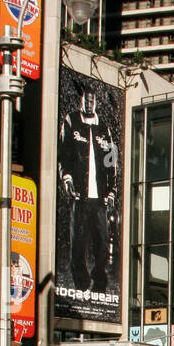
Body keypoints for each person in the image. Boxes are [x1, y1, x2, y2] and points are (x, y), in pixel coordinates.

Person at [58, 87, 118, 294]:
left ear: (96, 103)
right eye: (86, 100)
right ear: (81, 101)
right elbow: (63, 152)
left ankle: (99, 278)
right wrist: (66, 178)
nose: (89, 104)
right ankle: (80, 281)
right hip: (80, 194)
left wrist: (111, 191)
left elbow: (112, 162)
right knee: (78, 241)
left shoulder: (104, 128)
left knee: (102, 240)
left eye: (93, 101)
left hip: (99, 197)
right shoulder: (71, 120)